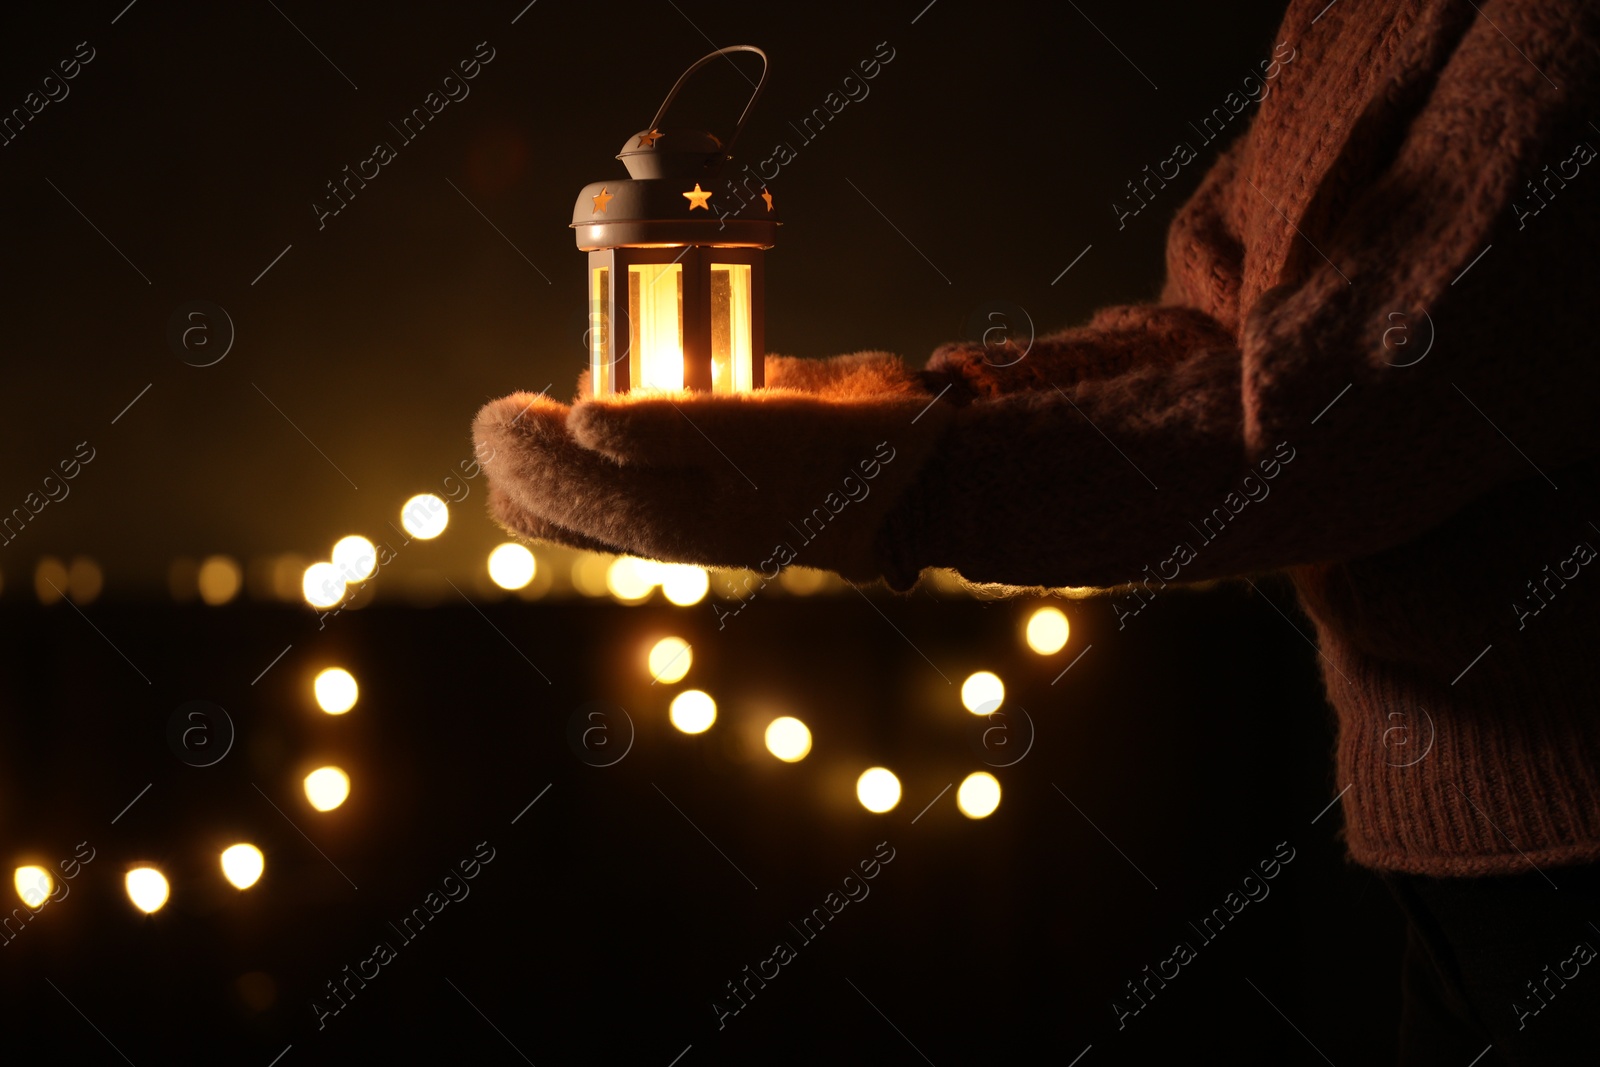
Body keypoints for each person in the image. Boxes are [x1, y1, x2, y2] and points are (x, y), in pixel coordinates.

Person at [474, 0, 1600, 1060]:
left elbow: (1357, 402)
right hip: (1448, 868)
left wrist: (886, 477)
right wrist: (875, 415)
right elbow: (1216, 330)